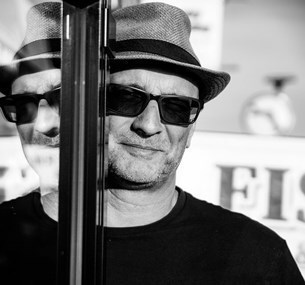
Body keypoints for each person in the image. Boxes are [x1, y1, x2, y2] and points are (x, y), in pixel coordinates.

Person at [0, 2, 304, 285]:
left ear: (192, 127)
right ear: (92, 106)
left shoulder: (256, 257)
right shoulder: (8, 239)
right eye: (127, 98)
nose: (149, 125)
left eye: (177, 107)